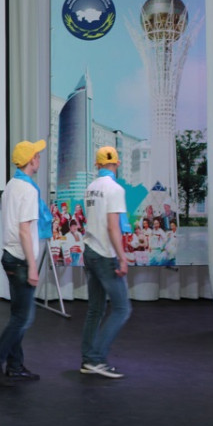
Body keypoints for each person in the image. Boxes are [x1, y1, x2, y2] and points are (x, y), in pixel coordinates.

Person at [0, 139, 52, 386]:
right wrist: (33, 265)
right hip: (21, 259)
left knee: (18, 315)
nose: (39, 159)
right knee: (23, 318)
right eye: (37, 155)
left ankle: (15, 365)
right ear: (31, 160)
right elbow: (24, 229)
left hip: (10, 256)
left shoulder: (11, 186)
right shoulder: (28, 190)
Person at [80, 146, 132, 379]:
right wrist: (122, 257)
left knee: (95, 309)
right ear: (117, 164)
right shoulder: (116, 189)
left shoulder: (90, 188)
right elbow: (113, 227)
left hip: (90, 250)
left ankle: (88, 359)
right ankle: (96, 359)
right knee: (122, 309)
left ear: (97, 164)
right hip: (105, 254)